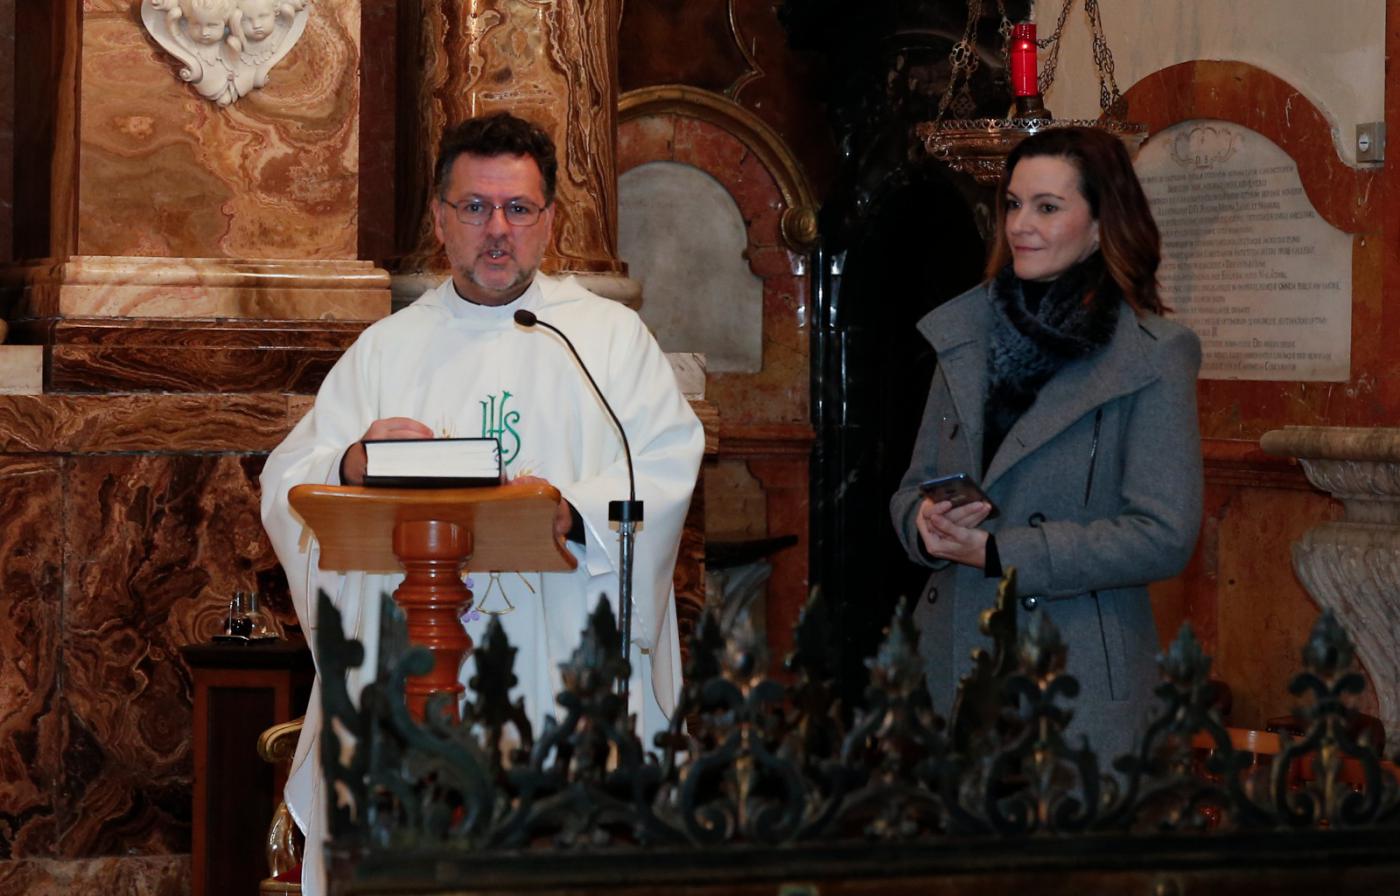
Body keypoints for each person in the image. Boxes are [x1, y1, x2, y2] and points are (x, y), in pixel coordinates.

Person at [260, 112, 705, 894]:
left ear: (549, 222)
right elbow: (288, 480)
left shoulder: (607, 342)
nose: (497, 229)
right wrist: (354, 461)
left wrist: (570, 510)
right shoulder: (388, 349)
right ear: (440, 220)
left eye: (518, 208)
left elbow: (664, 464)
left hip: (561, 673)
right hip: (412, 674)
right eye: (475, 207)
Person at [889, 126, 1203, 759]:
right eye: (1013, 204)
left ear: (1101, 225)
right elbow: (909, 488)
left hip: (1074, 675)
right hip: (950, 666)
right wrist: (922, 524)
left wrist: (1003, 552)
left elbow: (1164, 534)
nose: (1020, 225)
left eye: (1047, 206)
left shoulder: (1153, 355)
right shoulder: (964, 333)